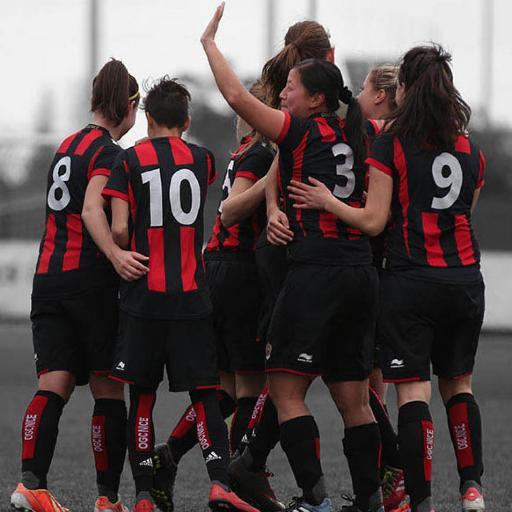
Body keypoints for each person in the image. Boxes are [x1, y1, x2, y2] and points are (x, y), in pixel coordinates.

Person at [288, 44, 486, 512]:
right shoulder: (470, 150)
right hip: (464, 281)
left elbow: (374, 221)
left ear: (406, 90)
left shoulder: (391, 144)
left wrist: (327, 202)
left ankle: (421, 502)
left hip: (410, 282)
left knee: (412, 392)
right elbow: (465, 215)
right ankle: (472, 487)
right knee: (459, 385)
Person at [202, 5, 383, 512]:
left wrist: (209, 44)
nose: (283, 93)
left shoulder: (300, 132)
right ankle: (369, 500)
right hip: (360, 272)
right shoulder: (360, 133)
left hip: (316, 272)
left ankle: (316, 501)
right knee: (354, 400)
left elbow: (236, 95)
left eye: (292, 88)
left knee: (284, 391)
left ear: (317, 98)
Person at [102, 76, 259, 512]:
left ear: (148, 118)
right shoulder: (203, 160)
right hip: (192, 297)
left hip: (143, 299)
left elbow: (117, 228)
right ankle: (218, 484)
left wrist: (125, 246)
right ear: (186, 120)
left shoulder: (129, 162)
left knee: (143, 398)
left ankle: (144, 494)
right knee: (205, 394)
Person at [10, 59, 140, 512]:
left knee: (53, 382)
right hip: (90, 283)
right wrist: (117, 255)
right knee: (108, 388)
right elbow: (90, 210)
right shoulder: (109, 153)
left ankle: (31, 484)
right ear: (129, 105)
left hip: (47, 280)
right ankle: (107, 500)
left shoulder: (65, 146)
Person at [226, 21, 336, 512]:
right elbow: (233, 206)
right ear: (328, 56)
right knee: (304, 377)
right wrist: (272, 209)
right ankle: (245, 472)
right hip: (306, 255)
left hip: (286, 255)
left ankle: (243, 468)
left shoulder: (282, 118)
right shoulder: (310, 117)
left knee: (272, 378)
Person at [150, 82, 276, 512]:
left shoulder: (242, 151)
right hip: (240, 273)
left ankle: (168, 455)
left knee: (222, 388)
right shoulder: (260, 155)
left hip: (216, 269)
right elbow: (235, 205)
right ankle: (236, 476)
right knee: (254, 388)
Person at [358, 65, 407, 512]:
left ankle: (394, 471)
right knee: (376, 381)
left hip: (366, 264)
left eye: (363, 88)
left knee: (356, 382)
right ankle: (385, 481)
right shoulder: (418, 136)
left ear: (380, 97)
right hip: (395, 269)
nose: (357, 94)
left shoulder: (376, 134)